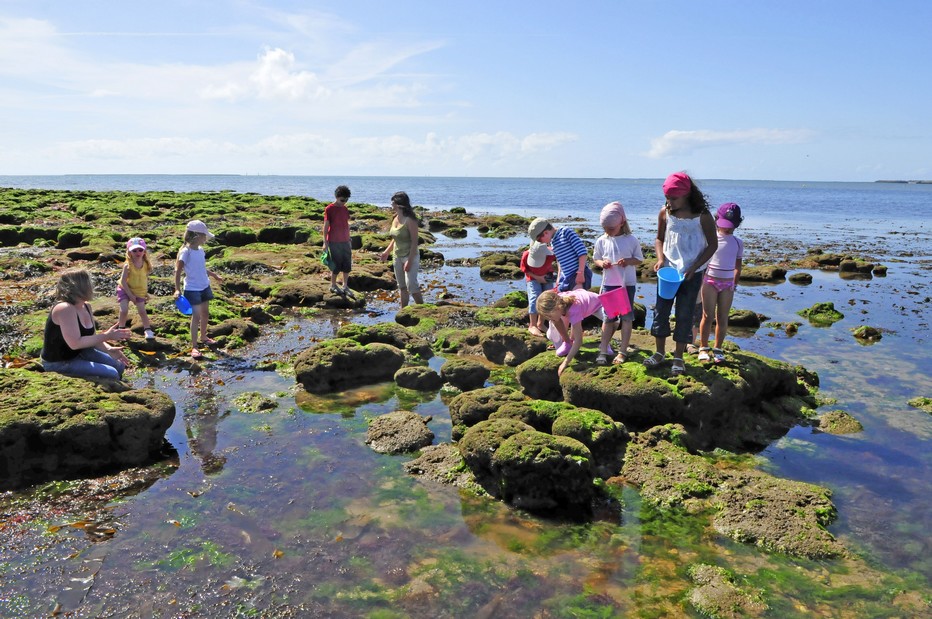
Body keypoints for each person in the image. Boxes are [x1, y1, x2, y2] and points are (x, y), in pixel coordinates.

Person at [643, 172, 718, 376]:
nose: (670, 202)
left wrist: (695, 266)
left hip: (692, 274)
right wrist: (659, 259)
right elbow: (659, 239)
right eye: (667, 197)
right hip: (668, 271)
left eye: (674, 198)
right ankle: (659, 353)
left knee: (685, 314)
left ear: (687, 195)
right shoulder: (664, 213)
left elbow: (713, 245)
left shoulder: (702, 216)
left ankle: (678, 357)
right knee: (661, 312)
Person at [40, 268, 132, 380]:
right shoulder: (65, 309)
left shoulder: (86, 306)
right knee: (112, 373)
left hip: (81, 352)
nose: (92, 286)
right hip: (59, 362)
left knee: (119, 366)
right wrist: (107, 336)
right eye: (89, 283)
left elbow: (92, 338)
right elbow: (75, 343)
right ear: (81, 287)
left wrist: (108, 349)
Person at [592, 201, 643, 365]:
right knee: (608, 318)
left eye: (611, 229)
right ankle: (603, 349)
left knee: (627, 318)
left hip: (626, 284)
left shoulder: (631, 240)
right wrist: (602, 264)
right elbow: (596, 259)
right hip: (609, 284)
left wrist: (628, 261)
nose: (608, 232)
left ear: (621, 222)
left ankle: (622, 351)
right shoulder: (602, 240)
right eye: (605, 229)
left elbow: (639, 259)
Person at [698, 203, 745, 363]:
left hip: (727, 285)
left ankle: (718, 348)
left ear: (738, 224)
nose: (727, 229)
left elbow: (737, 265)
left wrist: (734, 283)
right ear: (717, 220)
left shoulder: (738, 243)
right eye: (724, 225)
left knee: (722, 317)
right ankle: (703, 347)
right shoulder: (711, 239)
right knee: (707, 315)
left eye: (731, 226)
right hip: (709, 280)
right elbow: (702, 260)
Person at [174, 220, 224, 360]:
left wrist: (214, 275)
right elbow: (177, 271)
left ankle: (203, 337)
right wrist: (177, 290)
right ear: (196, 236)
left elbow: (201, 267)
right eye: (204, 236)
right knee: (195, 316)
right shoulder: (186, 252)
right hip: (192, 288)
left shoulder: (200, 250)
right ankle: (194, 346)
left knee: (205, 313)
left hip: (204, 285)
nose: (205, 239)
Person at [536, 289, 612, 376]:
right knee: (558, 321)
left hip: (598, 305)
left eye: (549, 316)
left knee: (613, 320)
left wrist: (565, 362)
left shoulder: (573, 310)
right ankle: (567, 343)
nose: (549, 318)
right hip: (582, 303)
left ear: (557, 307)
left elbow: (579, 341)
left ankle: (605, 344)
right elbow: (557, 321)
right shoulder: (558, 302)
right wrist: (567, 341)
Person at [379, 191, 423, 308]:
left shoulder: (410, 220)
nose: (391, 205)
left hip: (410, 255)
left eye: (392, 202)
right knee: (402, 286)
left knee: (411, 285)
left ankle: (422, 310)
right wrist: (387, 252)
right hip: (397, 256)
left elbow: (415, 242)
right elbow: (395, 238)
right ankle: (403, 311)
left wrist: (409, 260)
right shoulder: (395, 218)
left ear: (399, 204)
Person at [528, 218, 593, 292]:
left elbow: (582, 252)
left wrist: (580, 273)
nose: (541, 242)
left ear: (545, 233)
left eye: (539, 240)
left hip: (578, 273)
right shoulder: (552, 241)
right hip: (566, 276)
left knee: (576, 299)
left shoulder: (565, 232)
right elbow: (559, 260)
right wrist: (559, 277)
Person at [117, 237, 155, 340]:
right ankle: (121, 329)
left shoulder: (146, 264)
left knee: (142, 311)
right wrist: (130, 295)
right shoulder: (127, 266)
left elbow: (143, 279)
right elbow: (124, 282)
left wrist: (145, 292)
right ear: (129, 252)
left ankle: (147, 329)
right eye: (134, 250)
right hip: (125, 289)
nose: (137, 252)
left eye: (140, 250)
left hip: (139, 290)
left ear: (144, 251)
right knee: (124, 310)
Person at [323, 185, 355, 298]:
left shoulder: (345, 209)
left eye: (346, 200)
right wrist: (324, 242)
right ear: (336, 197)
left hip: (345, 240)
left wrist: (349, 238)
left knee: (347, 264)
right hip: (334, 241)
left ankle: (345, 285)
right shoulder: (329, 209)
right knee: (336, 264)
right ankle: (333, 284)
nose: (344, 202)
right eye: (342, 200)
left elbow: (346, 224)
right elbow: (326, 226)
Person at [520, 241, 556, 337]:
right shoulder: (526, 254)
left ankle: (541, 323)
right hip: (532, 278)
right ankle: (532, 325)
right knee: (535, 297)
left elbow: (562, 262)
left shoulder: (551, 254)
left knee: (547, 299)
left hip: (547, 276)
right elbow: (524, 269)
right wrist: (537, 277)